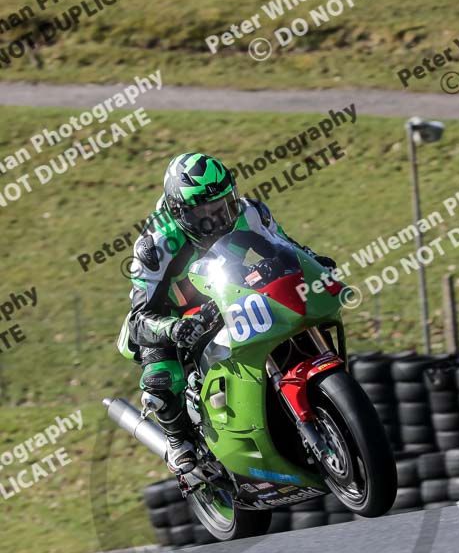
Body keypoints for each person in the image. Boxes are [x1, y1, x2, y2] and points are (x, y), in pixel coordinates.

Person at [117, 152, 336, 476]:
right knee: (160, 377)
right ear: (179, 211)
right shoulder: (156, 244)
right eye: (204, 211)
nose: (217, 217)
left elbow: (288, 247)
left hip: (228, 289)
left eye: (223, 203)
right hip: (172, 314)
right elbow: (139, 318)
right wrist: (174, 329)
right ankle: (179, 441)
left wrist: (315, 264)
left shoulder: (250, 212)